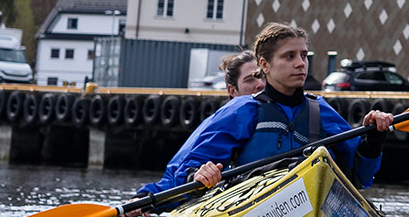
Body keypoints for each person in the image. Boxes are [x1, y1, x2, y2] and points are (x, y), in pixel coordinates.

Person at [136, 22, 393, 197]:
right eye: (289, 56)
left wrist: (374, 138)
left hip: (313, 199)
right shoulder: (242, 110)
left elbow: (358, 178)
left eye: (303, 55)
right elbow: (193, 165)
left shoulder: (321, 111)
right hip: (249, 200)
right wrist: (199, 173)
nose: (300, 64)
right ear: (264, 64)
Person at [136, 50, 269, 196]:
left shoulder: (288, 109)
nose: (260, 85)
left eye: (263, 77)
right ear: (232, 90)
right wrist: (146, 196)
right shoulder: (218, 123)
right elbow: (175, 175)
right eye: (250, 79)